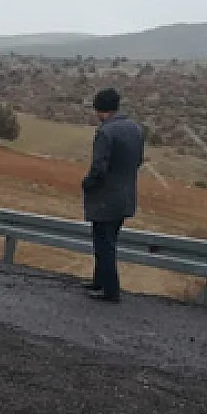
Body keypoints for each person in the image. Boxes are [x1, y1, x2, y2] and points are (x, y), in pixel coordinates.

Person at [81, 87, 145, 303]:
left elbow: (99, 167)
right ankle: (99, 282)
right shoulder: (135, 129)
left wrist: (87, 184)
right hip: (126, 197)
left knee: (104, 244)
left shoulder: (106, 132)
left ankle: (110, 290)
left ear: (100, 110)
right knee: (108, 240)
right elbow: (138, 161)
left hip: (105, 199)